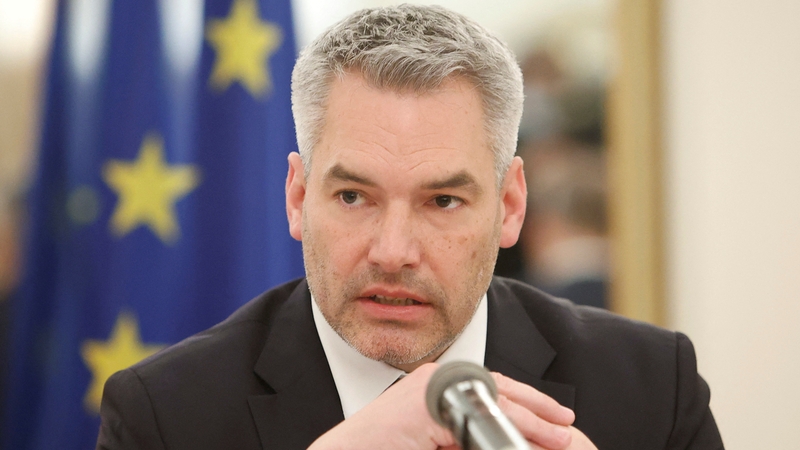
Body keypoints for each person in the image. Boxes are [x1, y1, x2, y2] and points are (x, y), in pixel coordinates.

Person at [96, 5, 723, 449]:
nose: (393, 252)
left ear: (509, 206)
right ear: (296, 197)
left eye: (443, 201)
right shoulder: (166, 417)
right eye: (352, 196)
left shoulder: (651, 389)